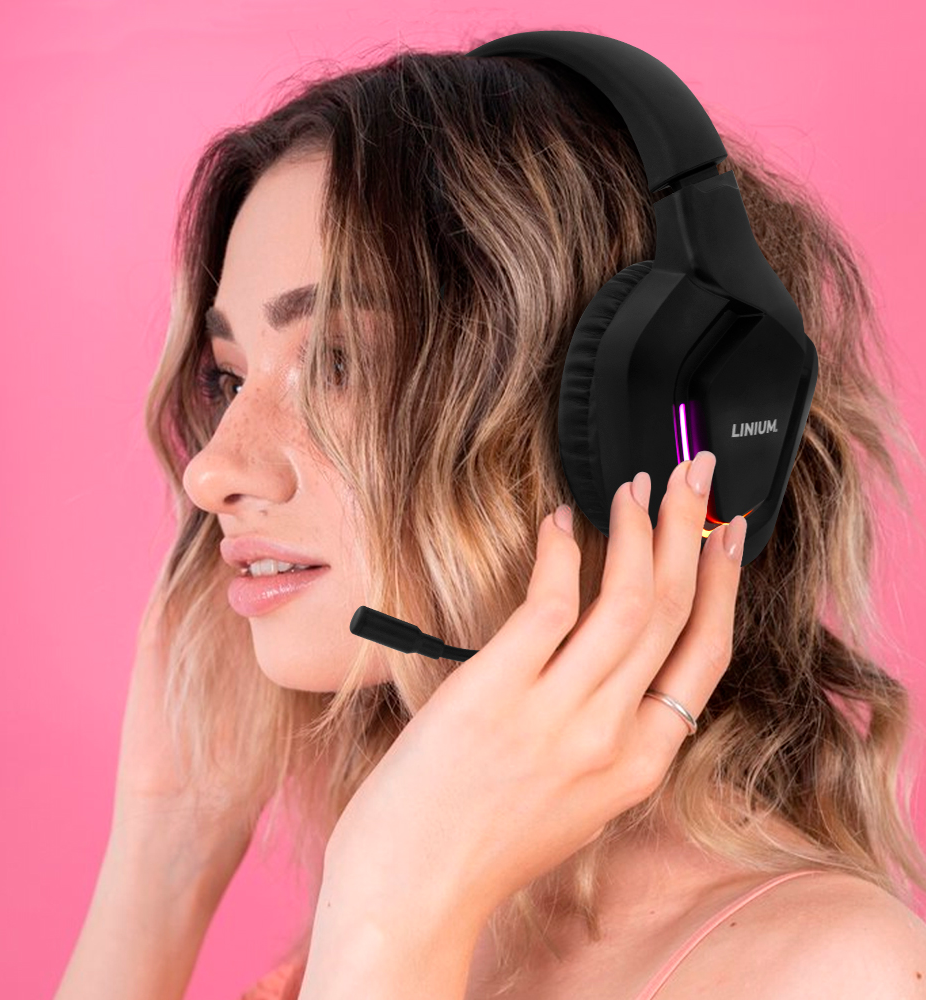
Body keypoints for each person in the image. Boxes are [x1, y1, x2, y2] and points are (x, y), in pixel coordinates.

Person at [53, 42, 926, 1000]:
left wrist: (394, 922)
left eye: (339, 361)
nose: (213, 470)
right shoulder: (406, 900)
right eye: (229, 379)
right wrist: (164, 850)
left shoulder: (833, 975)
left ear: (633, 424)